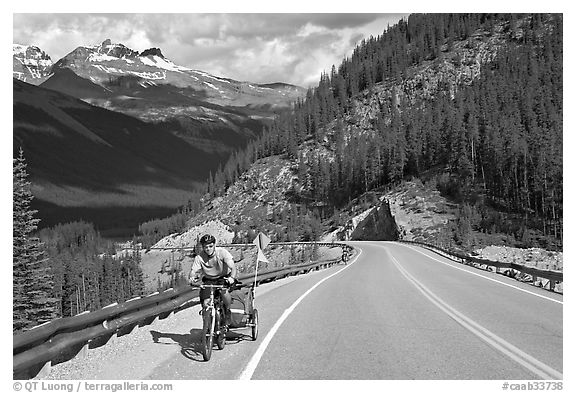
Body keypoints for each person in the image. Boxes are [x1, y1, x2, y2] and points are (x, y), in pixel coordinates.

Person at [189, 234, 237, 326]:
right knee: (205, 302)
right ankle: (207, 324)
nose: (208, 249)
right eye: (205, 247)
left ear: (214, 245)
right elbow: (193, 271)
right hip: (209, 280)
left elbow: (233, 267)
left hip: (223, 278)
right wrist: (192, 277)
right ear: (203, 247)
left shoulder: (222, 253)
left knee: (224, 291)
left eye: (210, 246)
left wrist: (231, 278)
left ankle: (227, 311)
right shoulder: (199, 257)